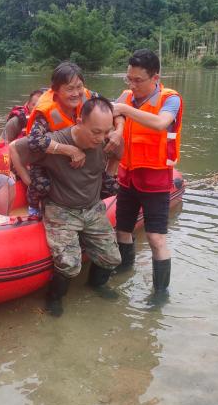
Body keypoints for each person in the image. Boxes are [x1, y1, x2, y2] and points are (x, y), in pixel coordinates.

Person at [10, 97, 122, 317]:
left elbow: (117, 156)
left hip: (92, 207)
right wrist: (29, 181)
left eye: (106, 131)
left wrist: (108, 177)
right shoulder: (53, 142)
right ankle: (54, 298)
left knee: (112, 259)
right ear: (79, 121)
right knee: (70, 265)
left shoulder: (108, 141)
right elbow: (15, 149)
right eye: (95, 132)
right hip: (61, 208)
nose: (100, 139)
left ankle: (96, 285)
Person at [112, 49, 183, 295]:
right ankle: (124, 274)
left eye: (138, 80)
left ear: (155, 77)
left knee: (156, 239)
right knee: (123, 230)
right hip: (128, 177)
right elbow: (111, 116)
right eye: (129, 79)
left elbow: (161, 123)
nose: (132, 85)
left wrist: (124, 110)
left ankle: (160, 294)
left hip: (155, 179)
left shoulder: (170, 99)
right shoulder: (125, 96)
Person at [23, 62, 122, 217]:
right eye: (70, 88)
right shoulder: (46, 109)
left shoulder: (89, 96)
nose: (76, 93)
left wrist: (119, 131)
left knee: (111, 187)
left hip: (86, 150)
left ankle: (92, 210)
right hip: (51, 157)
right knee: (42, 185)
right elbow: (35, 141)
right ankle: (34, 204)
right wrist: (69, 150)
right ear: (56, 89)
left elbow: (116, 110)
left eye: (79, 87)